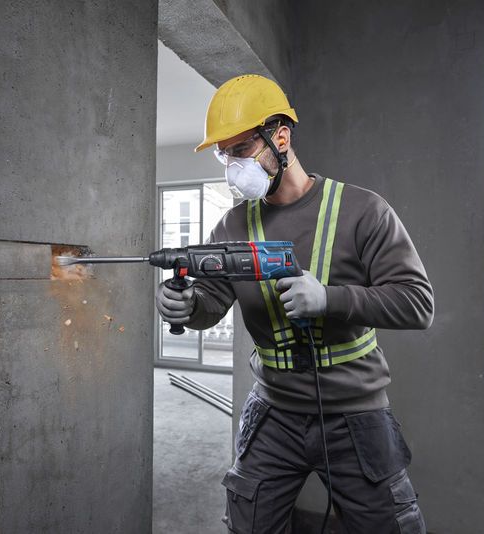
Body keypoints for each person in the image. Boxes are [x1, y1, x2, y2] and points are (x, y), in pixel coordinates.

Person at [156, 74, 434, 534]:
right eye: (224, 155)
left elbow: (417, 303)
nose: (230, 167)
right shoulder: (231, 226)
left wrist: (330, 298)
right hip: (273, 411)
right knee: (248, 523)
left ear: (280, 137)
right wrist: (187, 307)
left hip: (355, 412)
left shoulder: (363, 210)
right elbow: (212, 303)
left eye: (240, 150)